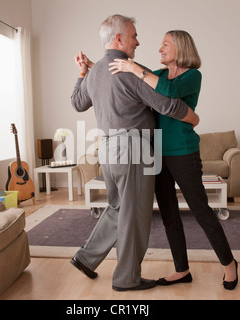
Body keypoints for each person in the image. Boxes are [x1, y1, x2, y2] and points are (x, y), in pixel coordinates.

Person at [70, 15, 200, 292]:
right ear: (119, 38)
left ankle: (86, 258)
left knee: (118, 208)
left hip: (106, 148)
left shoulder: (96, 71)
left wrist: (83, 71)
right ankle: (126, 279)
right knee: (136, 215)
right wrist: (191, 116)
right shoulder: (130, 69)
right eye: (133, 36)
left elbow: (78, 102)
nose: (138, 41)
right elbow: (166, 104)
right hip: (134, 148)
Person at [108, 30, 238, 290]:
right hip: (157, 153)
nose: (159, 49)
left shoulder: (192, 76)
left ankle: (230, 265)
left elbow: (170, 90)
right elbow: (139, 76)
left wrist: (135, 68)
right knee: (168, 214)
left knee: (201, 212)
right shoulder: (159, 74)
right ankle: (182, 270)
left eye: (165, 44)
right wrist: (97, 68)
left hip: (183, 152)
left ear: (180, 47)